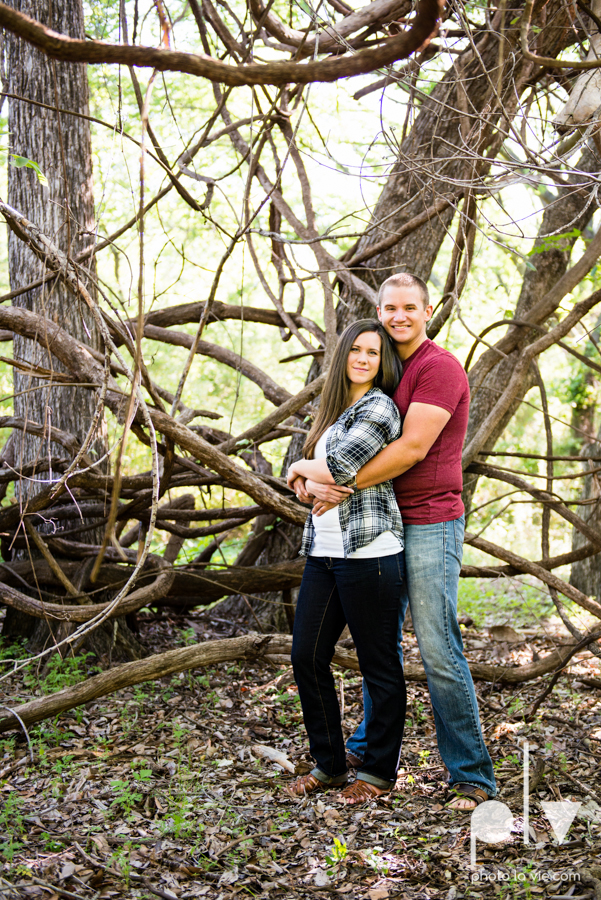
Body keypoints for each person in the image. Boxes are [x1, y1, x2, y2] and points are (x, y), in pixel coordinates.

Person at [294, 273, 496, 811]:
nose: (399, 316)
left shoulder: (438, 368)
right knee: (376, 644)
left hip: (428, 521)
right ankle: (364, 750)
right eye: (389, 308)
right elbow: (334, 439)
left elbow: (410, 450)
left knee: (436, 647)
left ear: (428, 311)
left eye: (410, 307)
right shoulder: (385, 367)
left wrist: (337, 483)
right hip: (379, 528)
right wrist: (307, 476)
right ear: (378, 311)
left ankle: (472, 777)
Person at [285, 319, 407, 805]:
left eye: (373, 353)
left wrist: (301, 468)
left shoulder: (380, 408)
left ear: (383, 363)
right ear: (343, 357)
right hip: (324, 553)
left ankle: (378, 772)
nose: (362, 358)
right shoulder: (334, 409)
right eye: (355, 350)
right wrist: (303, 479)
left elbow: (338, 466)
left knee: (378, 666)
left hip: (371, 553)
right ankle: (332, 765)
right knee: (306, 655)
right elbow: (307, 475)